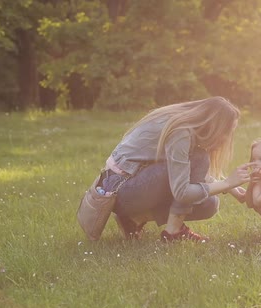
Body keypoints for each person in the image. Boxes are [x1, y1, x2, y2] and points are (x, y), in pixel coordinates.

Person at [101, 96, 251, 242]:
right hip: (119, 190)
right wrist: (227, 184)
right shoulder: (180, 132)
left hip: (126, 186)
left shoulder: (184, 128)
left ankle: (134, 219)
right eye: (227, 131)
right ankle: (173, 232)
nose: (227, 137)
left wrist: (231, 188)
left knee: (209, 204)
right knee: (199, 159)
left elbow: (184, 170)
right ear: (215, 127)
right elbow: (182, 192)